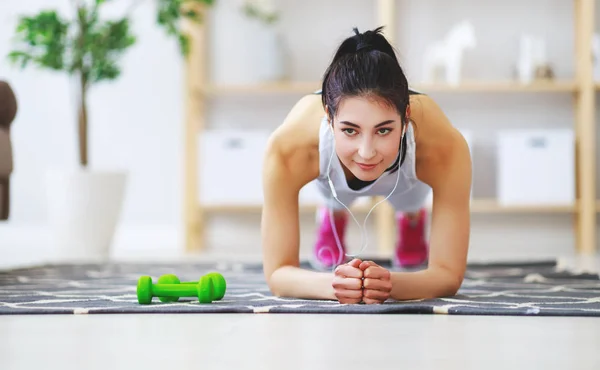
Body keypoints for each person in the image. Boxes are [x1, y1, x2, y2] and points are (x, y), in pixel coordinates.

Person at [261, 26, 472, 304]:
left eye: (383, 130)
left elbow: (447, 274)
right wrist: (334, 285)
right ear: (328, 116)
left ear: (406, 117)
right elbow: (277, 273)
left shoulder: (443, 146)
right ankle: (333, 215)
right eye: (350, 130)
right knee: (334, 198)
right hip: (332, 182)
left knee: (411, 203)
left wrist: (388, 283)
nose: (366, 152)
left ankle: (410, 218)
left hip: (408, 181)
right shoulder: (289, 148)